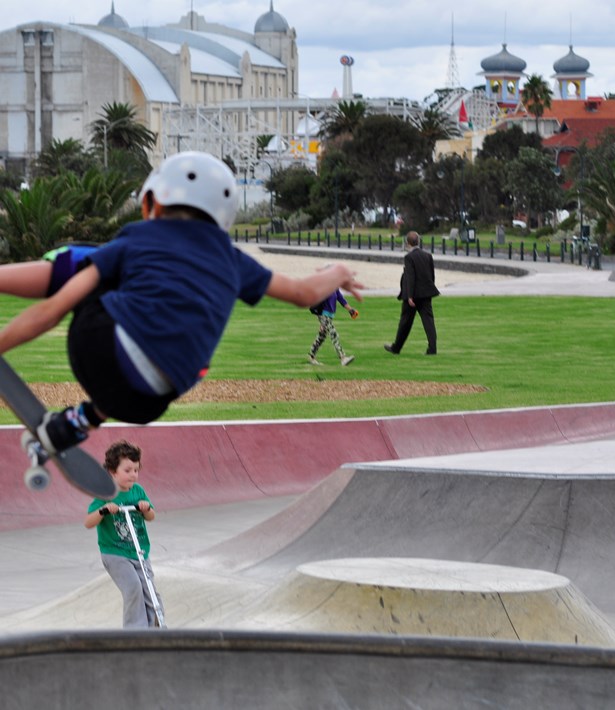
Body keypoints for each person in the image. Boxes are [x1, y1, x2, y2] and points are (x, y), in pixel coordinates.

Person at [0, 151, 363, 454]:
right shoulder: (234, 260)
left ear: (152, 202)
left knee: (87, 261)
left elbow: (53, 311)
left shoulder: (137, 240)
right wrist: (339, 270)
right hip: (150, 401)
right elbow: (303, 294)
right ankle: (75, 424)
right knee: (167, 341)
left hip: (99, 352)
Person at [85, 440, 163, 628]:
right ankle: (134, 632)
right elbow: (88, 522)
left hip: (139, 552)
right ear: (112, 471)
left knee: (149, 590)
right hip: (115, 553)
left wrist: (145, 509)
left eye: (136, 470)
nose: (133, 475)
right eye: (127, 471)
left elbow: (151, 516)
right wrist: (104, 510)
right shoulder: (106, 493)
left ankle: (156, 627)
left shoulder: (138, 491)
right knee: (133, 588)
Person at [384, 231, 439, 355]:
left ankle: (396, 348)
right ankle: (432, 348)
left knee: (405, 322)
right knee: (428, 321)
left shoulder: (409, 257)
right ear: (418, 241)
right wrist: (429, 291)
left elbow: (410, 277)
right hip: (426, 293)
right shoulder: (428, 255)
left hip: (412, 295)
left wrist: (409, 296)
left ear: (407, 243)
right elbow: (431, 275)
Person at [308, 287, 359, 366]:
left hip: (329, 315)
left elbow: (340, 298)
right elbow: (317, 303)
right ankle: (343, 358)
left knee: (322, 336)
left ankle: (311, 357)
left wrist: (350, 309)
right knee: (334, 334)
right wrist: (321, 322)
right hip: (324, 315)